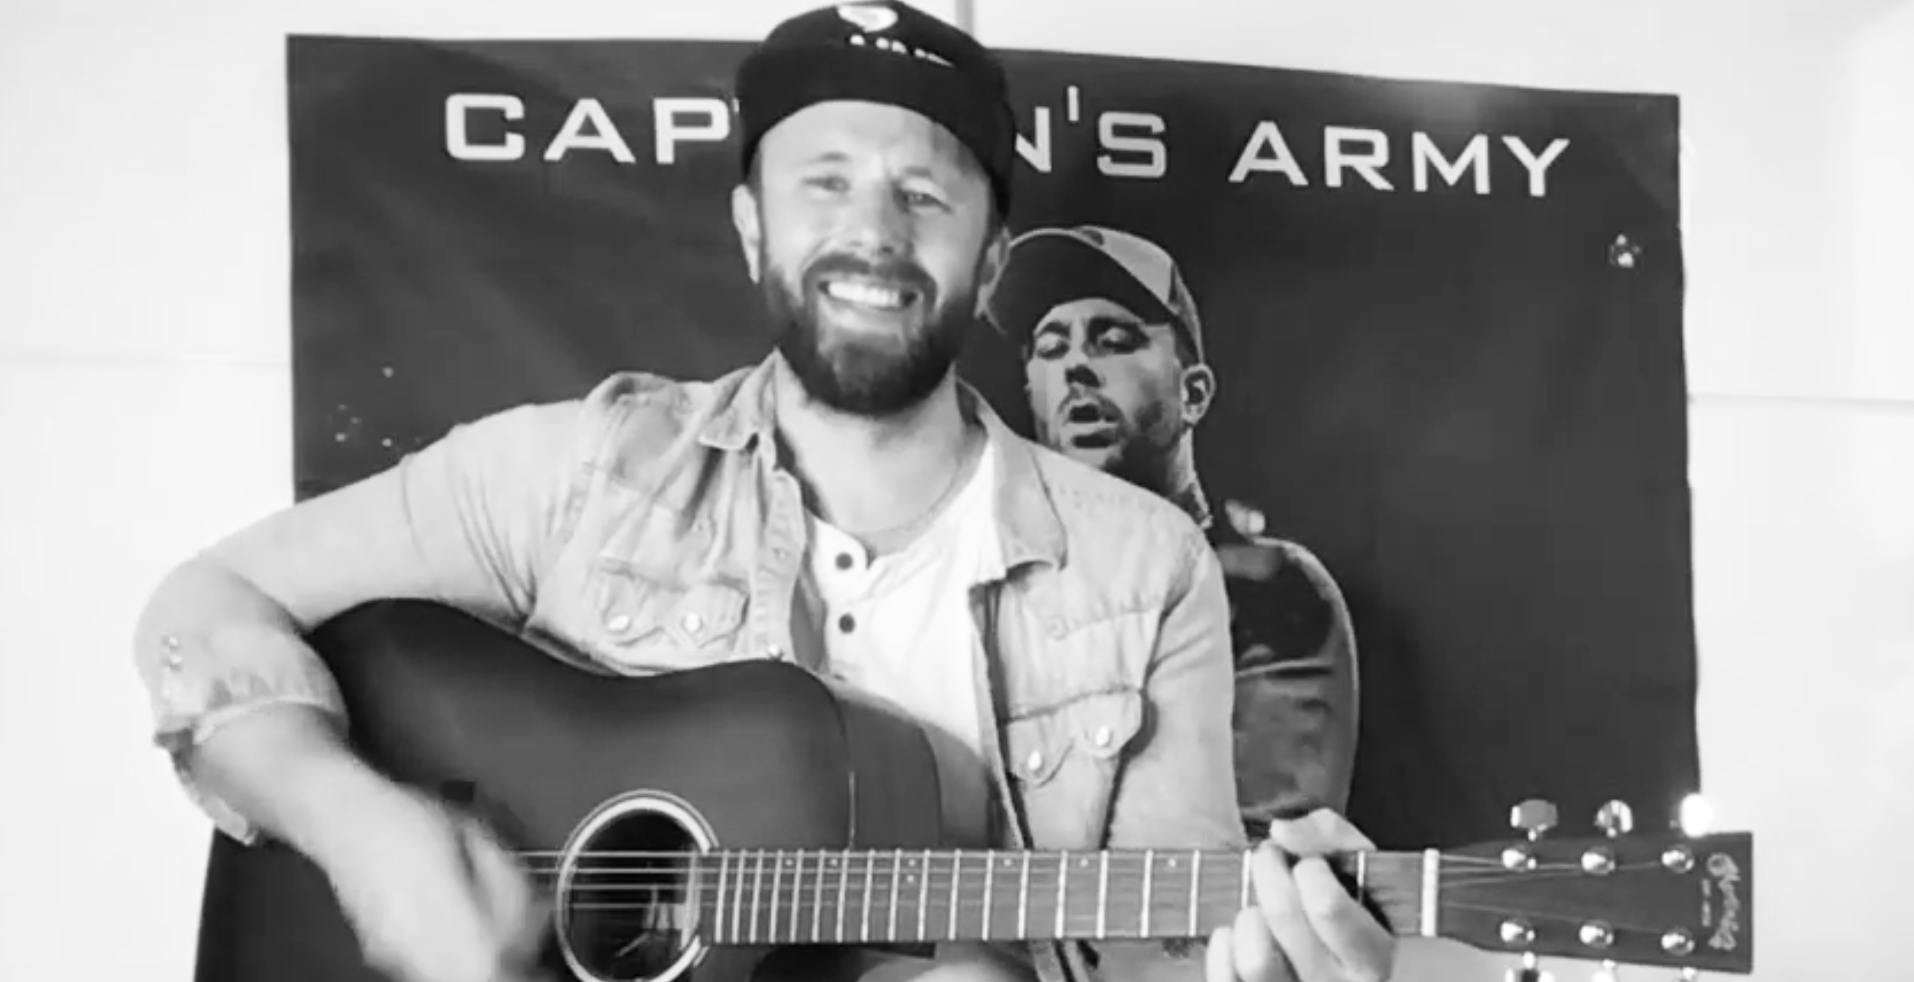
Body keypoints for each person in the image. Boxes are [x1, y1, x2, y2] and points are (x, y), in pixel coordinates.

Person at [130, 4, 1396, 982]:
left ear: (989, 255)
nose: (875, 233)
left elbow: (1166, 946)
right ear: (751, 225)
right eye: (825, 179)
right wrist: (366, 833)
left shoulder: (1147, 565)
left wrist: (1277, 956)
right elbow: (205, 605)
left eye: (924, 193)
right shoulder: (580, 472)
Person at [984, 225, 1360, 836]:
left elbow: (1246, 859)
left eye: (1113, 341)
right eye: (1051, 349)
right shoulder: (990, 584)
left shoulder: (1267, 588)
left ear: (1194, 394)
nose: (1076, 366)